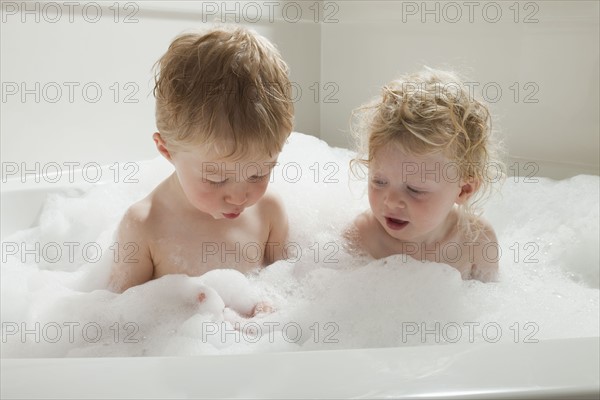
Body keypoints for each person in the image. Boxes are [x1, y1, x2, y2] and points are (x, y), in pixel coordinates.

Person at [108, 25, 294, 306]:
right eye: (216, 178)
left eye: (259, 173)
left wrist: (269, 308)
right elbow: (118, 320)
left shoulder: (269, 212)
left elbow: (286, 290)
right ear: (166, 150)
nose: (239, 196)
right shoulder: (145, 227)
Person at [346, 67, 503, 282]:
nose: (390, 202)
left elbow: (490, 308)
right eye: (379, 181)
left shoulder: (476, 243)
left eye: (415, 189)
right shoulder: (362, 238)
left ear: (464, 189)